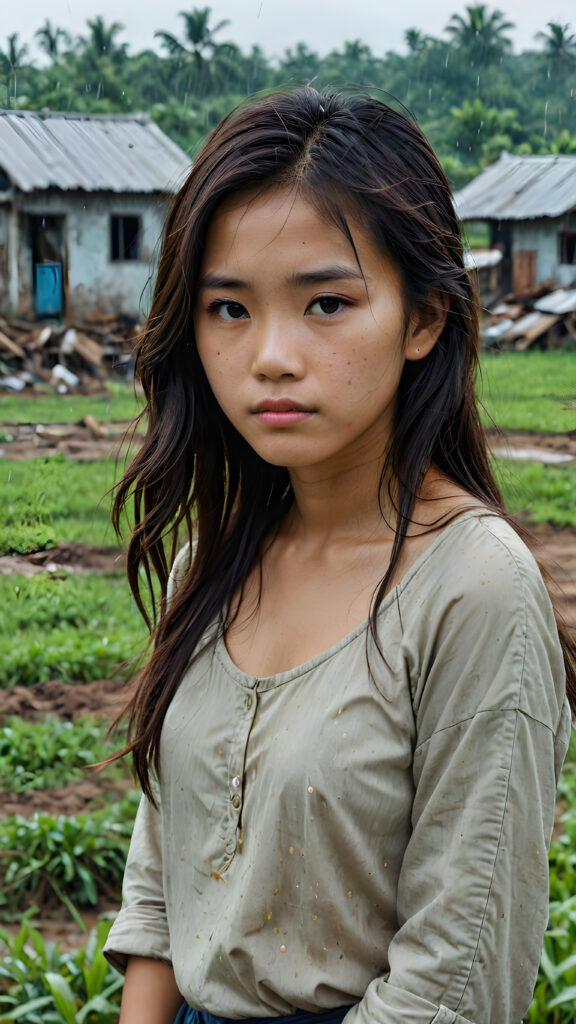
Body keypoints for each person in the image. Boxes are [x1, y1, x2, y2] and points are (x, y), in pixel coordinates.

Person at [103, 87, 574, 1024]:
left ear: (425, 318)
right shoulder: (214, 559)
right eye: (228, 309)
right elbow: (161, 884)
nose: (272, 356)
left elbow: (455, 976)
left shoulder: (471, 589)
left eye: (326, 302)